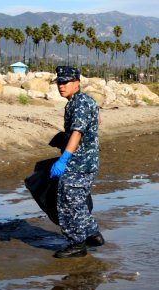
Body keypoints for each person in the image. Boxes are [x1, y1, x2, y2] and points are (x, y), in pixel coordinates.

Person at [50, 66, 104, 258]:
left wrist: (64, 158)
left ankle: (77, 244)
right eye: (60, 83)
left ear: (77, 83)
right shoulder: (84, 101)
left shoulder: (80, 103)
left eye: (66, 83)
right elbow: (97, 120)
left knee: (68, 203)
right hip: (86, 161)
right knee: (78, 201)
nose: (61, 86)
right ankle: (92, 234)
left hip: (79, 163)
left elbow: (77, 132)